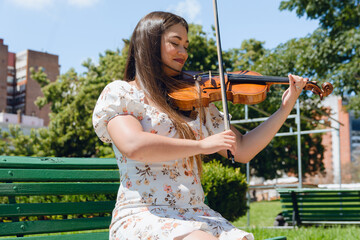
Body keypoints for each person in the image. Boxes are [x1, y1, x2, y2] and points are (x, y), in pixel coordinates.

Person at [92, 11, 307, 240]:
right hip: (144, 214)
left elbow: (242, 149)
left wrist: (285, 108)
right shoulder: (122, 93)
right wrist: (202, 145)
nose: (183, 52)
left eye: (186, 46)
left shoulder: (196, 98)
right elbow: (134, 145)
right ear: (150, 44)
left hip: (197, 214)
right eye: (175, 43)